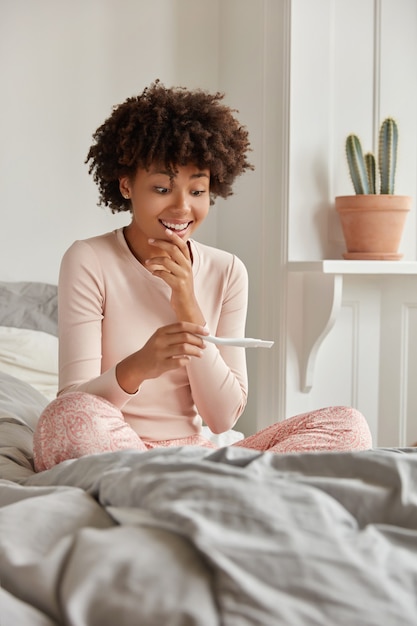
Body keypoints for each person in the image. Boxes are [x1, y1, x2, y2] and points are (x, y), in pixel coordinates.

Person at [33, 81, 372, 472]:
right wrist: (140, 365)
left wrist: (188, 306)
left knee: (349, 426)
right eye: (162, 188)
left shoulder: (228, 271)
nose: (182, 208)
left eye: (198, 191)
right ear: (126, 184)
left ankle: (184, 486)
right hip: (115, 443)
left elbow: (223, 419)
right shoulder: (89, 258)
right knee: (66, 418)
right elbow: (73, 401)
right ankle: (213, 488)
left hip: (199, 455)